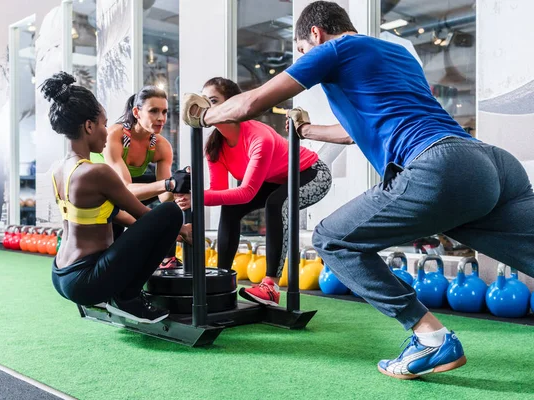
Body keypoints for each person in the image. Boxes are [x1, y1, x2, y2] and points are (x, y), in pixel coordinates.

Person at [181, 1, 534, 379]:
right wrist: (308, 131)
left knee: (333, 240)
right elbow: (357, 131)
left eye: (301, 51)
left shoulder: (334, 49)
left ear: (314, 34)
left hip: (439, 166)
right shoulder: (396, 53)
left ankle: (430, 338)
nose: (303, 57)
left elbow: (252, 102)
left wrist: (205, 115)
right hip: (490, 163)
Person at [41, 71, 192, 324]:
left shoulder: (59, 169)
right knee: (170, 213)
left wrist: (177, 232)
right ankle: (128, 298)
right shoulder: (97, 171)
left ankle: (120, 294)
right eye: (103, 124)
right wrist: (181, 227)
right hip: (87, 280)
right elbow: (146, 217)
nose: (107, 131)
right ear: (88, 126)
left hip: (60, 274)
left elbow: (114, 215)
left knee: (153, 219)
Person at [178, 77, 331, 306]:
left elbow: (247, 192)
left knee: (277, 204)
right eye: (204, 102)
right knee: (230, 208)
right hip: (274, 179)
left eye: (213, 101)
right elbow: (221, 193)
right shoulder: (214, 147)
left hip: (311, 173)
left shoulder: (260, 137)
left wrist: (197, 198)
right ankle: (222, 280)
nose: (207, 109)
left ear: (234, 104)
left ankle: (271, 286)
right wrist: (192, 196)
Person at [91, 86, 190, 269]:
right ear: (136, 112)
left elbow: (164, 197)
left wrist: (180, 187)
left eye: (164, 112)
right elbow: (125, 190)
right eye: (153, 111)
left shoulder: (161, 146)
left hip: (122, 189)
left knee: (169, 207)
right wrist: (169, 184)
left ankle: (168, 258)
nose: (161, 118)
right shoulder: (115, 136)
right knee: (114, 253)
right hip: (98, 191)